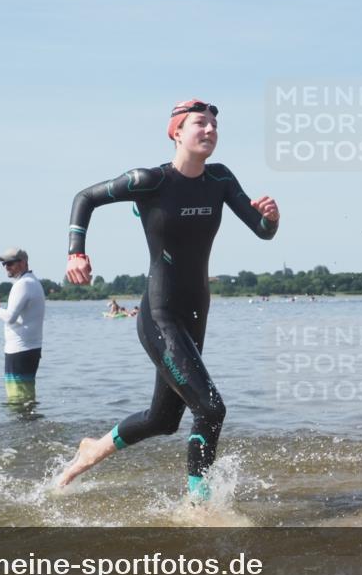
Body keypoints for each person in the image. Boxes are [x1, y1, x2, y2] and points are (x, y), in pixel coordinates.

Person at [57, 99, 280, 499]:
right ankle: (200, 501)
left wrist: (271, 218)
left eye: (214, 124)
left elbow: (262, 231)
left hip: (196, 313)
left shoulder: (221, 180)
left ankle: (94, 448)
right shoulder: (150, 180)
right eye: (200, 123)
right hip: (160, 315)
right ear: (176, 132)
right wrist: (77, 251)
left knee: (162, 419)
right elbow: (84, 197)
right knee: (211, 408)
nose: (210, 130)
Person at [0, 248, 46, 404]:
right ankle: (30, 426)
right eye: (4, 264)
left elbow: (10, 317)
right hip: (29, 349)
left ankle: (23, 427)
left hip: (20, 349)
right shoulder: (32, 281)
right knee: (26, 396)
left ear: (22, 263)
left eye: (10, 263)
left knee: (17, 399)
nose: (6, 267)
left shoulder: (23, 284)